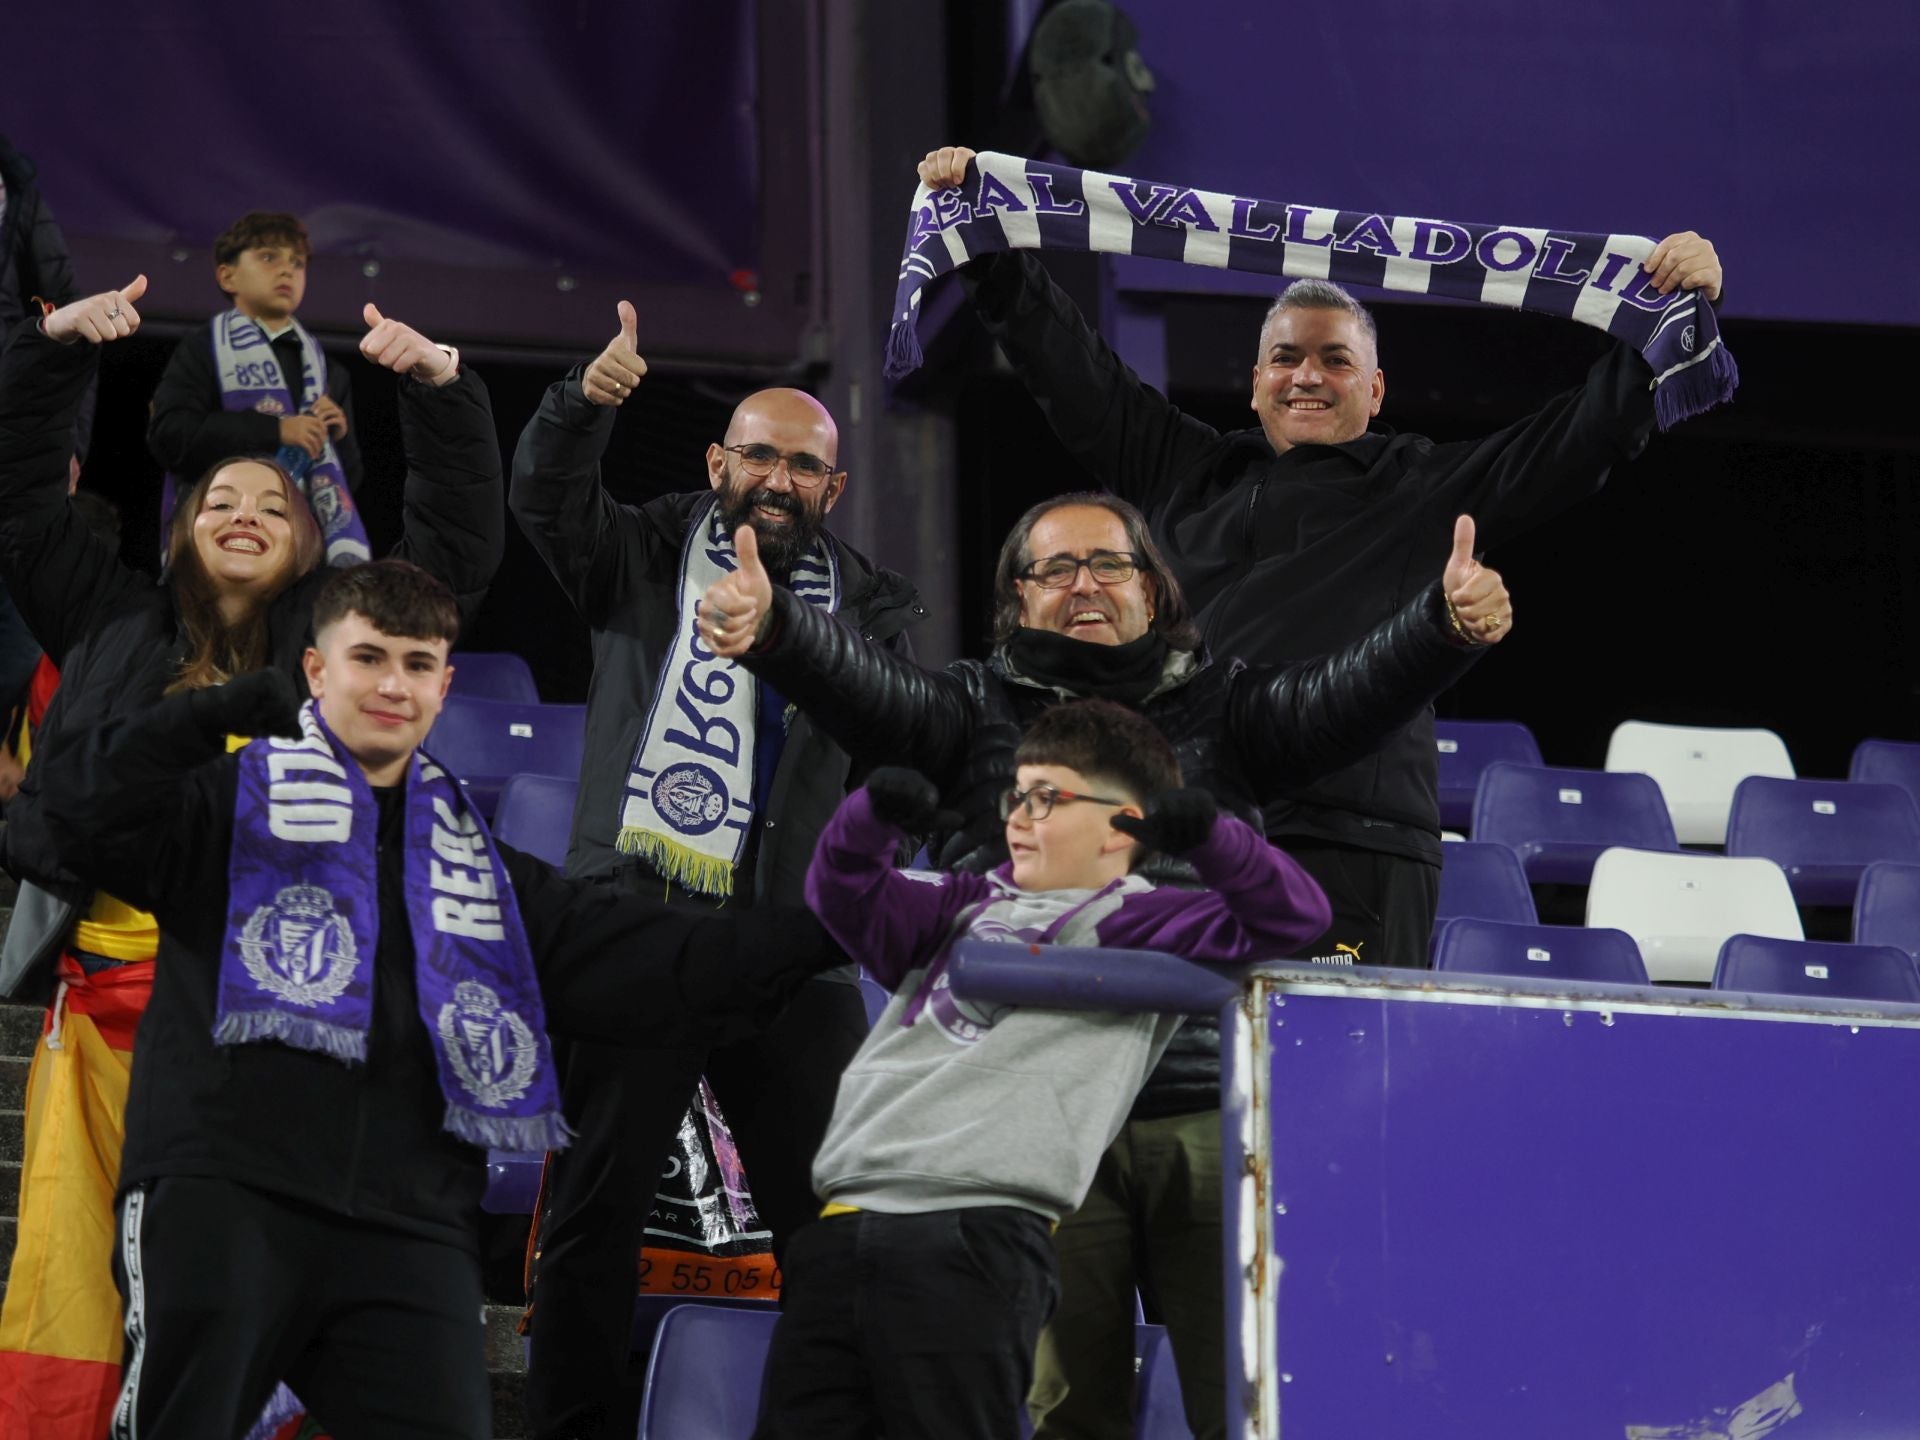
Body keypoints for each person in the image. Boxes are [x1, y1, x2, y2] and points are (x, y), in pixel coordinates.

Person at [701, 488, 1507, 1438]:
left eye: (1108, 564)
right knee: (1065, 1410)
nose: (1083, 584)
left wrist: (1438, 626)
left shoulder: (1230, 700)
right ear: (1017, 599)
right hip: (1025, 1120)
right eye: (1053, 569)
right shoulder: (968, 704)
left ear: (1153, 590)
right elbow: (865, 684)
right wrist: (778, 629)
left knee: (1248, 1399)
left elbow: (1345, 695)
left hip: (1209, 1106)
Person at [31, 558, 850, 1439]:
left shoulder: (483, 868)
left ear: (446, 685)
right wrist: (202, 719)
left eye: (418, 664)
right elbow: (62, 819)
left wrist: (841, 922)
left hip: (407, 1228)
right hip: (225, 1195)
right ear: (314, 669)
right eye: (368, 657)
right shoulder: (221, 804)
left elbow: (661, 961)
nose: (393, 684)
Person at [916, 144, 1722, 971]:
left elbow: (1575, 439)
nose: (1309, 376)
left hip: (1355, 844)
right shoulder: (1187, 469)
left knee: (1333, 1087)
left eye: (1336, 360)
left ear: (1374, 392)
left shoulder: (1420, 486)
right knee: (1181, 1076)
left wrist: (1663, 320)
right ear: (1256, 380)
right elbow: (1068, 369)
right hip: (1189, 828)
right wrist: (990, 241)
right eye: (1287, 358)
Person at [0, 277, 500, 1440]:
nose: (240, 511)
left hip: (278, 1023)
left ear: (313, 549)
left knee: (235, 1325)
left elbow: (457, 563)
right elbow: (18, 504)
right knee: (78, 1298)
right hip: (102, 1023)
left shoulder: (338, 655)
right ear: (180, 528)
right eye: (217, 497)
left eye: (272, 505)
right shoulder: (109, 621)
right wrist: (53, 354)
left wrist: (441, 390)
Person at [509, 299, 925, 1438]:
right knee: (594, 1222)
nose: (779, 478)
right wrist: (581, 405)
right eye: (758, 454)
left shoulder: (874, 613)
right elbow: (544, 499)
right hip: (637, 929)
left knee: (839, 1223)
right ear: (716, 462)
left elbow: (902, 741)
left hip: (793, 948)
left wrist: (792, 633)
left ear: (833, 491)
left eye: (804, 464)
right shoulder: (640, 555)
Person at [753, 700, 1331, 1440]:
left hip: (974, 1232)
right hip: (842, 1223)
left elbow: (1294, 919)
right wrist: (869, 817)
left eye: (1047, 798)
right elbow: (841, 893)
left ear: (1125, 823)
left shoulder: (1145, 921)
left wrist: (1216, 840)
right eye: (1015, 796)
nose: (1020, 816)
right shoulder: (956, 905)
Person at [147, 210, 369, 566]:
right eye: (269, 257)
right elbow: (169, 436)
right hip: (217, 547)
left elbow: (347, 485)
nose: (287, 270)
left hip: (300, 561)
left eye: (297, 263)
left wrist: (339, 439)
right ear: (227, 275)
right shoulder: (203, 349)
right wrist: (276, 430)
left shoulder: (328, 371)